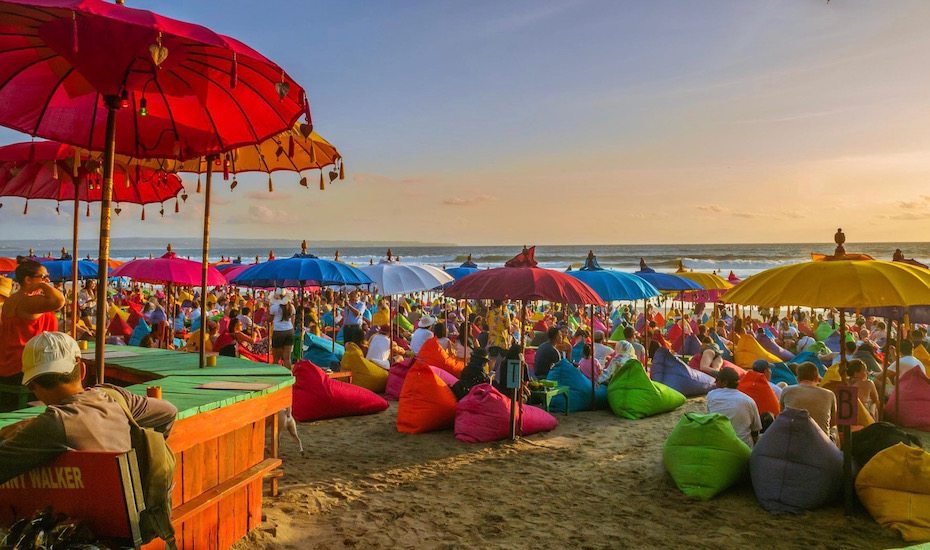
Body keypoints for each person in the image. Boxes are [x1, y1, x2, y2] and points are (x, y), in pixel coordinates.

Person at [0, 332, 177, 483]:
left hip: (85, 521)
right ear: (82, 370)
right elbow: (168, 412)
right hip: (135, 517)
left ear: (32, 386)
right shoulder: (114, 397)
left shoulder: (54, 424)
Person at [0, 260, 65, 384]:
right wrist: (42, 285)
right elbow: (59, 301)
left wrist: (41, 282)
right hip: (24, 367)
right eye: (44, 277)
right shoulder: (26, 302)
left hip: (13, 364)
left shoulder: (13, 299)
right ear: (28, 280)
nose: (48, 280)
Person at [706, 367, 762, 447]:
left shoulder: (711, 395)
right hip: (743, 448)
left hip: (719, 445)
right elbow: (755, 430)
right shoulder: (748, 401)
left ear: (725, 382)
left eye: (717, 380)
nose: (715, 382)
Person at [780, 362, 837, 440]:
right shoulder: (829, 394)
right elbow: (833, 422)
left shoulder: (786, 390)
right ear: (817, 378)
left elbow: (781, 416)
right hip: (821, 443)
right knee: (834, 429)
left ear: (798, 379)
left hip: (792, 441)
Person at [269, 291, 295, 369]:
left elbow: (270, 319)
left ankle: (276, 375)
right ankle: (289, 375)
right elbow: (293, 320)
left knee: (276, 358)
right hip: (289, 331)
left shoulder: (274, 307)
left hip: (278, 331)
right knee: (287, 358)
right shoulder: (291, 306)